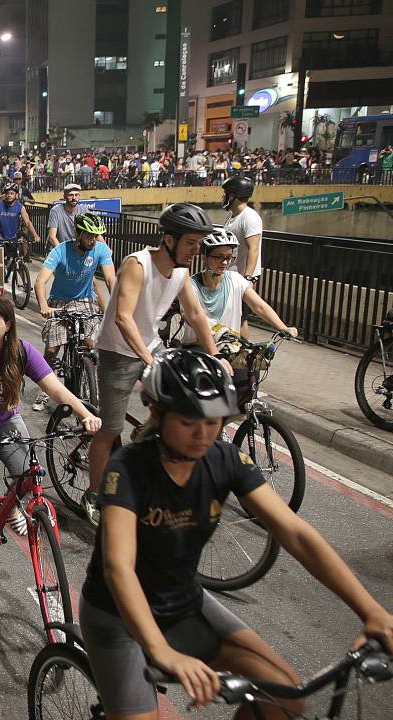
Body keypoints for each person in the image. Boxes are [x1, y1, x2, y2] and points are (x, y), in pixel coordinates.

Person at [80, 348, 393, 720]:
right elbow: (118, 567)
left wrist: (372, 612)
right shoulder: (128, 467)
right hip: (117, 617)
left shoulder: (224, 459)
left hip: (183, 604)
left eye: (214, 421)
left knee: (285, 696)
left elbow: (295, 534)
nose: (203, 433)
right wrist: (161, 650)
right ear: (158, 414)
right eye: (188, 420)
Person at [85, 203, 230, 524]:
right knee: (109, 428)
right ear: (169, 239)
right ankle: (95, 493)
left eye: (199, 243)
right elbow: (123, 318)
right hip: (118, 352)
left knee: (180, 406)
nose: (197, 250)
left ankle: (148, 442)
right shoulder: (138, 265)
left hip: (151, 347)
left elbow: (195, 314)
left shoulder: (180, 273)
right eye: (191, 243)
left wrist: (216, 356)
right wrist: (151, 361)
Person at [0, 294, 100, 575]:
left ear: (8, 325)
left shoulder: (21, 351)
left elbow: (55, 388)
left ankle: (10, 507)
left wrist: (84, 413)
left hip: (5, 422)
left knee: (31, 475)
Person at [32, 212, 118, 409]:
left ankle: (89, 384)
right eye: (89, 235)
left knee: (91, 344)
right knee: (52, 350)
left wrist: (115, 304)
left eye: (96, 236)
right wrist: (44, 306)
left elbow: (111, 279)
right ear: (78, 234)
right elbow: (40, 280)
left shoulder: (101, 250)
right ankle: (45, 390)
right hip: (59, 302)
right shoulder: (60, 251)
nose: (93, 240)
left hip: (85, 300)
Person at [181, 228, 297, 366]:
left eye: (229, 257)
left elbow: (259, 306)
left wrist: (283, 328)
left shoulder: (236, 280)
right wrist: (220, 332)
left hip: (230, 350)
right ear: (204, 257)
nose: (224, 262)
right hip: (197, 350)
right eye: (218, 257)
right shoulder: (191, 286)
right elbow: (191, 315)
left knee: (247, 378)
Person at [221, 175, 264, 335]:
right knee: (229, 315)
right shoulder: (232, 216)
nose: (224, 197)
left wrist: (248, 279)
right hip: (229, 273)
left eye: (226, 193)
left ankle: (242, 354)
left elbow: (254, 248)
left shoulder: (250, 217)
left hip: (241, 277)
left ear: (234, 195)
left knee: (240, 317)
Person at [0, 183, 39, 258]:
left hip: (13, 238)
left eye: (12, 193)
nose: (9, 195)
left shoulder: (20, 207)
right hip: (0, 238)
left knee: (14, 260)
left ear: (16, 194)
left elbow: (28, 222)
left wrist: (35, 235)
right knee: (0, 264)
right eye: (7, 193)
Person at [46, 183, 85, 249]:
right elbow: (52, 237)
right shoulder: (56, 210)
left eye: (76, 195)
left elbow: (95, 233)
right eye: (71, 195)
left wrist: (107, 249)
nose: (74, 198)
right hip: (58, 249)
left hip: (74, 250)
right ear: (64, 196)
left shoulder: (83, 210)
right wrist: (63, 253)